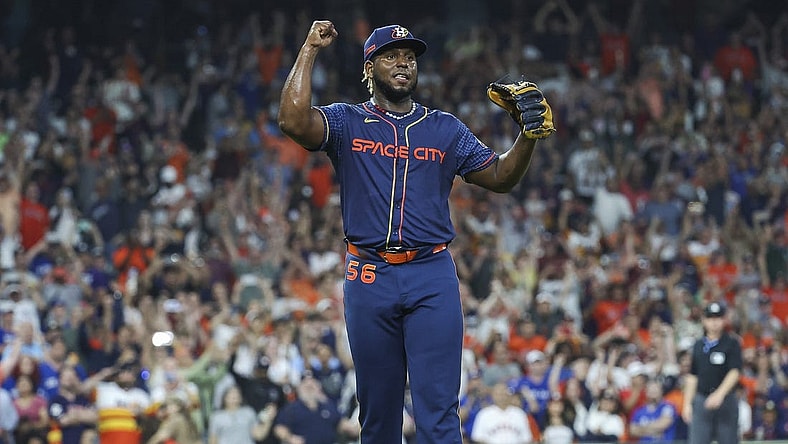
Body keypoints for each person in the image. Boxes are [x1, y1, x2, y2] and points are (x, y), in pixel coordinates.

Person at [278, 21, 553, 443]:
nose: (403, 61)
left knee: (440, 411)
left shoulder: (444, 128)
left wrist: (527, 137)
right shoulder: (348, 120)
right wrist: (310, 49)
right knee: (378, 413)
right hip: (369, 275)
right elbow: (293, 121)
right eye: (390, 55)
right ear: (369, 68)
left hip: (431, 274)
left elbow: (499, 176)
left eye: (409, 56)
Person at [682, 302, 742, 444]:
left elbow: (734, 372)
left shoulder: (732, 343)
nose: (714, 322)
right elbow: (692, 376)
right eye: (710, 318)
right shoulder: (698, 345)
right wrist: (687, 404)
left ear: (723, 320)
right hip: (702, 399)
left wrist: (719, 394)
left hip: (726, 400)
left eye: (718, 318)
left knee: (728, 440)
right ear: (704, 320)